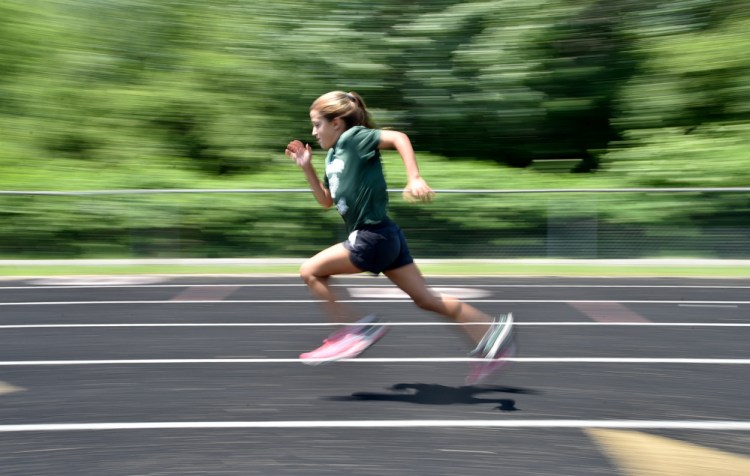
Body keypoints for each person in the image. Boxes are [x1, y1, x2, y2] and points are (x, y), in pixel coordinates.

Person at [285, 91, 515, 384]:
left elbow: (398, 138)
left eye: (318, 124)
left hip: (372, 236)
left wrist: (414, 177)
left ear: (338, 123)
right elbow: (326, 200)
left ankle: (353, 329)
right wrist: (306, 166)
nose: (313, 132)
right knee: (427, 299)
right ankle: (491, 332)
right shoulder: (332, 156)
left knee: (310, 271)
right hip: (386, 236)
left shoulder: (355, 138)